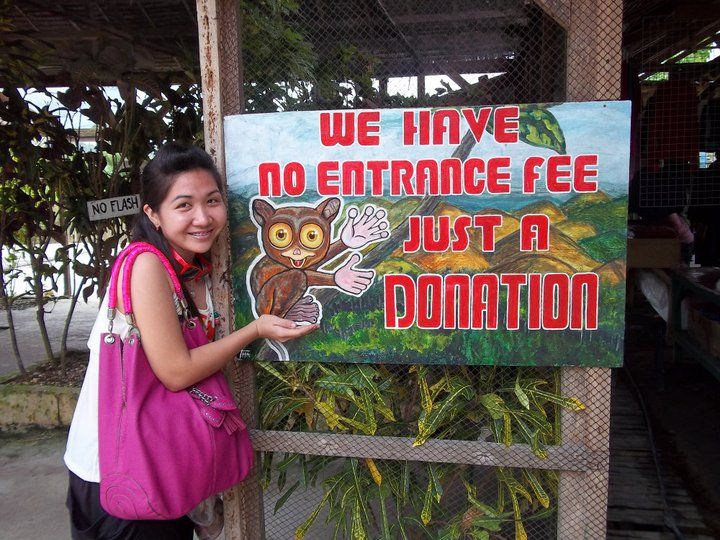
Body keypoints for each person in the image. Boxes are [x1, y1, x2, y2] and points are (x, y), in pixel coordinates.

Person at [64, 143, 318, 539]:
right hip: (118, 468)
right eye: (184, 205)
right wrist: (254, 331)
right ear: (153, 214)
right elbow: (177, 372)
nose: (203, 217)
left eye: (212, 201)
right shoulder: (146, 264)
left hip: (162, 459)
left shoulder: (200, 267)